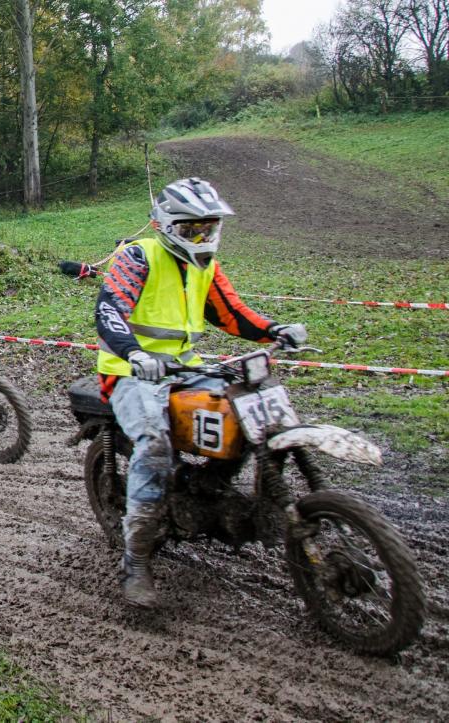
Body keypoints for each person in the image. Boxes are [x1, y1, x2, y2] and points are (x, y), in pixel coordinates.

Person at [94, 177, 308, 609]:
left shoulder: (205, 267)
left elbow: (233, 314)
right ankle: (136, 560)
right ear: (167, 226)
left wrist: (274, 329)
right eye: (193, 229)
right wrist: (134, 353)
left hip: (187, 369)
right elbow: (109, 309)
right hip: (130, 373)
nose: (202, 237)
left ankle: (211, 486)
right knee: (154, 444)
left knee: (246, 412)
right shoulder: (137, 256)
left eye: (209, 228)